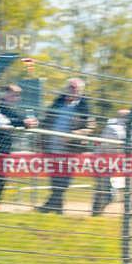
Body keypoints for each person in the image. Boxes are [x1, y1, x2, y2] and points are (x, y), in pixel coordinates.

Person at [37, 78, 95, 214]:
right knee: (54, 179)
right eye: (69, 87)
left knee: (64, 181)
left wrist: (73, 135)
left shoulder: (84, 108)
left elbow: (90, 128)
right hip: (51, 148)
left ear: (81, 91)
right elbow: (46, 122)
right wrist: (40, 142)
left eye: (74, 88)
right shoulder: (57, 104)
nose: (71, 89)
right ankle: (57, 209)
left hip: (70, 150)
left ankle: (49, 207)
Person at [0, 85, 39, 211]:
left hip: (4, 149)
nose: (17, 99)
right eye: (14, 95)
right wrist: (23, 122)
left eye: (18, 96)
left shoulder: (9, 108)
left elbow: (17, 119)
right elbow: (5, 120)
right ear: (5, 94)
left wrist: (28, 122)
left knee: (0, 179)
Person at [92, 109, 132, 217]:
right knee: (106, 192)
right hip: (103, 164)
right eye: (130, 117)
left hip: (117, 165)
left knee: (127, 189)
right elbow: (124, 141)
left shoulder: (128, 128)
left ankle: (128, 213)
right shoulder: (113, 127)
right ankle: (96, 213)